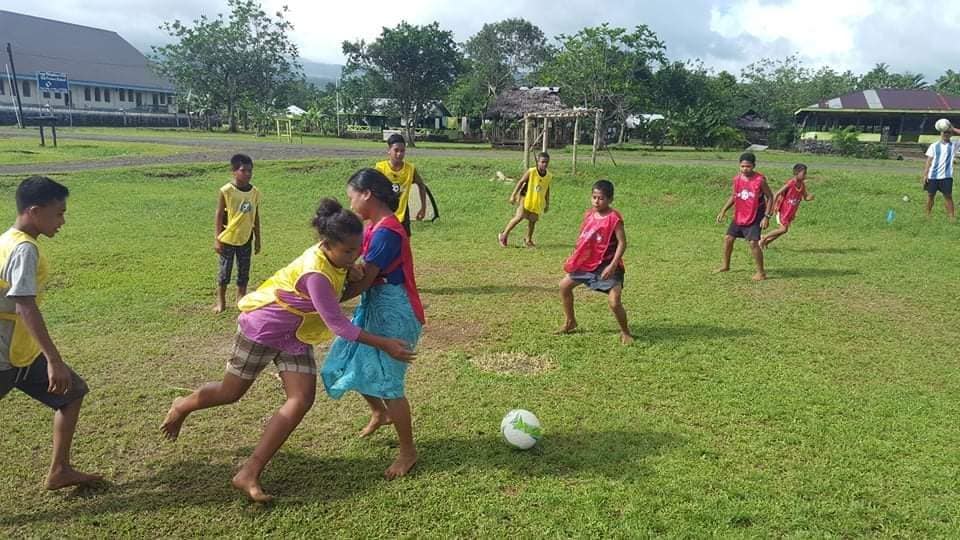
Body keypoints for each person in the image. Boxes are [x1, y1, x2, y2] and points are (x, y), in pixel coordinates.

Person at [162, 198, 415, 502]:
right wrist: (385, 343)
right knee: (231, 393)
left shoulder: (336, 261)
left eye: (358, 248)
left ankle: (249, 472)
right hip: (263, 328)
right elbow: (339, 325)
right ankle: (183, 405)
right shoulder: (316, 275)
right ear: (326, 245)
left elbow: (344, 276)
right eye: (348, 251)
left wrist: (351, 271)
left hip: (294, 334)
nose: (355, 255)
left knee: (301, 399)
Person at [322, 168, 426, 481]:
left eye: (352, 192)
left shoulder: (386, 233)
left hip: (396, 311)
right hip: (375, 308)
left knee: (389, 383)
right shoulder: (372, 228)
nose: (349, 199)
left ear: (367, 193)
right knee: (342, 363)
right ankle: (380, 413)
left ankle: (408, 451)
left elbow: (364, 280)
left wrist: (325, 301)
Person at [0, 176, 102, 490]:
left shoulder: (7, 239)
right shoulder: (24, 250)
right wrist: (54, 361)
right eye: (58, 213)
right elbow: (25, 307)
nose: (62, 221)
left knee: (72, 392)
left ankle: (60, 471)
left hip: (22, 353)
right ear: (34, 210)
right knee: (68, 387)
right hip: (6, 357)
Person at [556, 180, 633, 344]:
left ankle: (625, 332)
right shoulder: (589, 215)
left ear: (610, 199)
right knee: (564, 286)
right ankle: (570, 321)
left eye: (601, 198)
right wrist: (576, 256)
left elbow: (622, 243)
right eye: (594, 197)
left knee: (614, 302)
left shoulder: (614, 218)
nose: (597, 201)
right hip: (588, 264)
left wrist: (612, 265)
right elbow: (585, 239)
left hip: (608, 266)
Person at [714, 152, 774, 281]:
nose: (745, 169)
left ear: (754, 166)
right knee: (728, 239)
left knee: (753, 243)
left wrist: (767, 216)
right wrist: (723, 210)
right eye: (742, 166)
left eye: (748, 166)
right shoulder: (737, 179)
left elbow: (770, 197)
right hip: (740, 214)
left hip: (755, 215)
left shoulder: (760, 180)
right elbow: (734, 196)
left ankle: (761, 273)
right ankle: (725, 265)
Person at [214, 154, 261, 313]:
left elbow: (256, 215)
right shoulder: (226, 191)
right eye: (243, 170)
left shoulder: (254, 192)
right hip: (228, 237)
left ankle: (241, 297)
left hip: (246, 237)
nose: (247, 174)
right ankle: (221, 300)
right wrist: (217, 238)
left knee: (244, 270)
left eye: (250, 170)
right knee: (224, 271)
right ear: (234, 171)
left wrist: (258, 238)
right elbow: (219, 214)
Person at [374, 134, 429, 236]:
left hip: (403, 214)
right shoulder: (380, 168)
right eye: (396, 150)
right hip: (384, 215)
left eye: (402, 151)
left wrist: (423, 208)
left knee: (404, 246)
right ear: (389, 150)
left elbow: (421, 185)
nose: (399, 154)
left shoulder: (410, 169)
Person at [498, 152, 552, 248]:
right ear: (538, 162)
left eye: (546, 162)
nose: (545, 164)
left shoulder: (548, 176)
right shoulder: (531, 172)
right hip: (525, 198)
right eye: (542, 162)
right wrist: (513, 195)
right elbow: (521, 182)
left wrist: (547, 203)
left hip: (536, 201)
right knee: (519, 217)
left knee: (533, 220)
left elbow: (546, 189)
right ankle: (504, 235)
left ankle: (528, 240)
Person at [760, 163, 815, 249]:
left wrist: (810, 198)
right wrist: (773, 205)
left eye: (805, 173)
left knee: (783, 231)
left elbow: (805, 197)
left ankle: (766, 242)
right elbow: (777, 193)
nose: (805, 175)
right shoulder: (790, 183)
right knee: (783, 229)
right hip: (783, 210)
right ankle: (764, 237)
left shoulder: (802, 185)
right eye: (804, 173)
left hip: (791, 212)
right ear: (796, 173)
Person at [921, 126, 960, 221]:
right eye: (944, 132)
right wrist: (925, 174)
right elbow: (928, 161)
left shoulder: (954, 145)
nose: (946, 134)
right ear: (940, 133)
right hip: (933, 176)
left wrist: (952, 128)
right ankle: (927, 216)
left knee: (948, 197)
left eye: (948, 132)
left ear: (951, 134)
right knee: (930, 196)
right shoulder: (934, 146)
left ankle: (951, 218)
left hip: (946, 176)